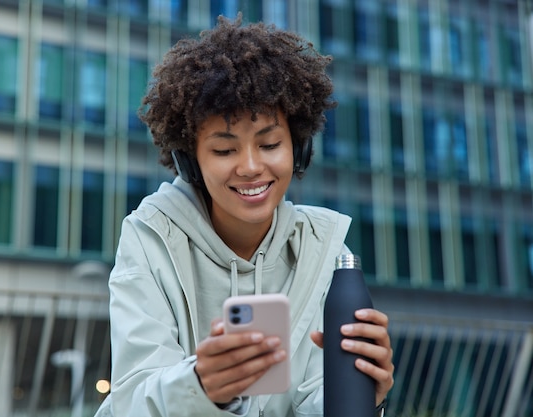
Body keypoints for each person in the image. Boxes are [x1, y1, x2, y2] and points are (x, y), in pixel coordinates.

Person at [94, 14, 394, 417]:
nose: (251, 167)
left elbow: (313, 403)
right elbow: (132, 401)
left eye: (270, 143)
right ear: (190, 162)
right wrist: (201, 386)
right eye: (224, 150)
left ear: (299, 149)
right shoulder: (150, 238)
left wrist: (361, 394)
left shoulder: (324, 251)